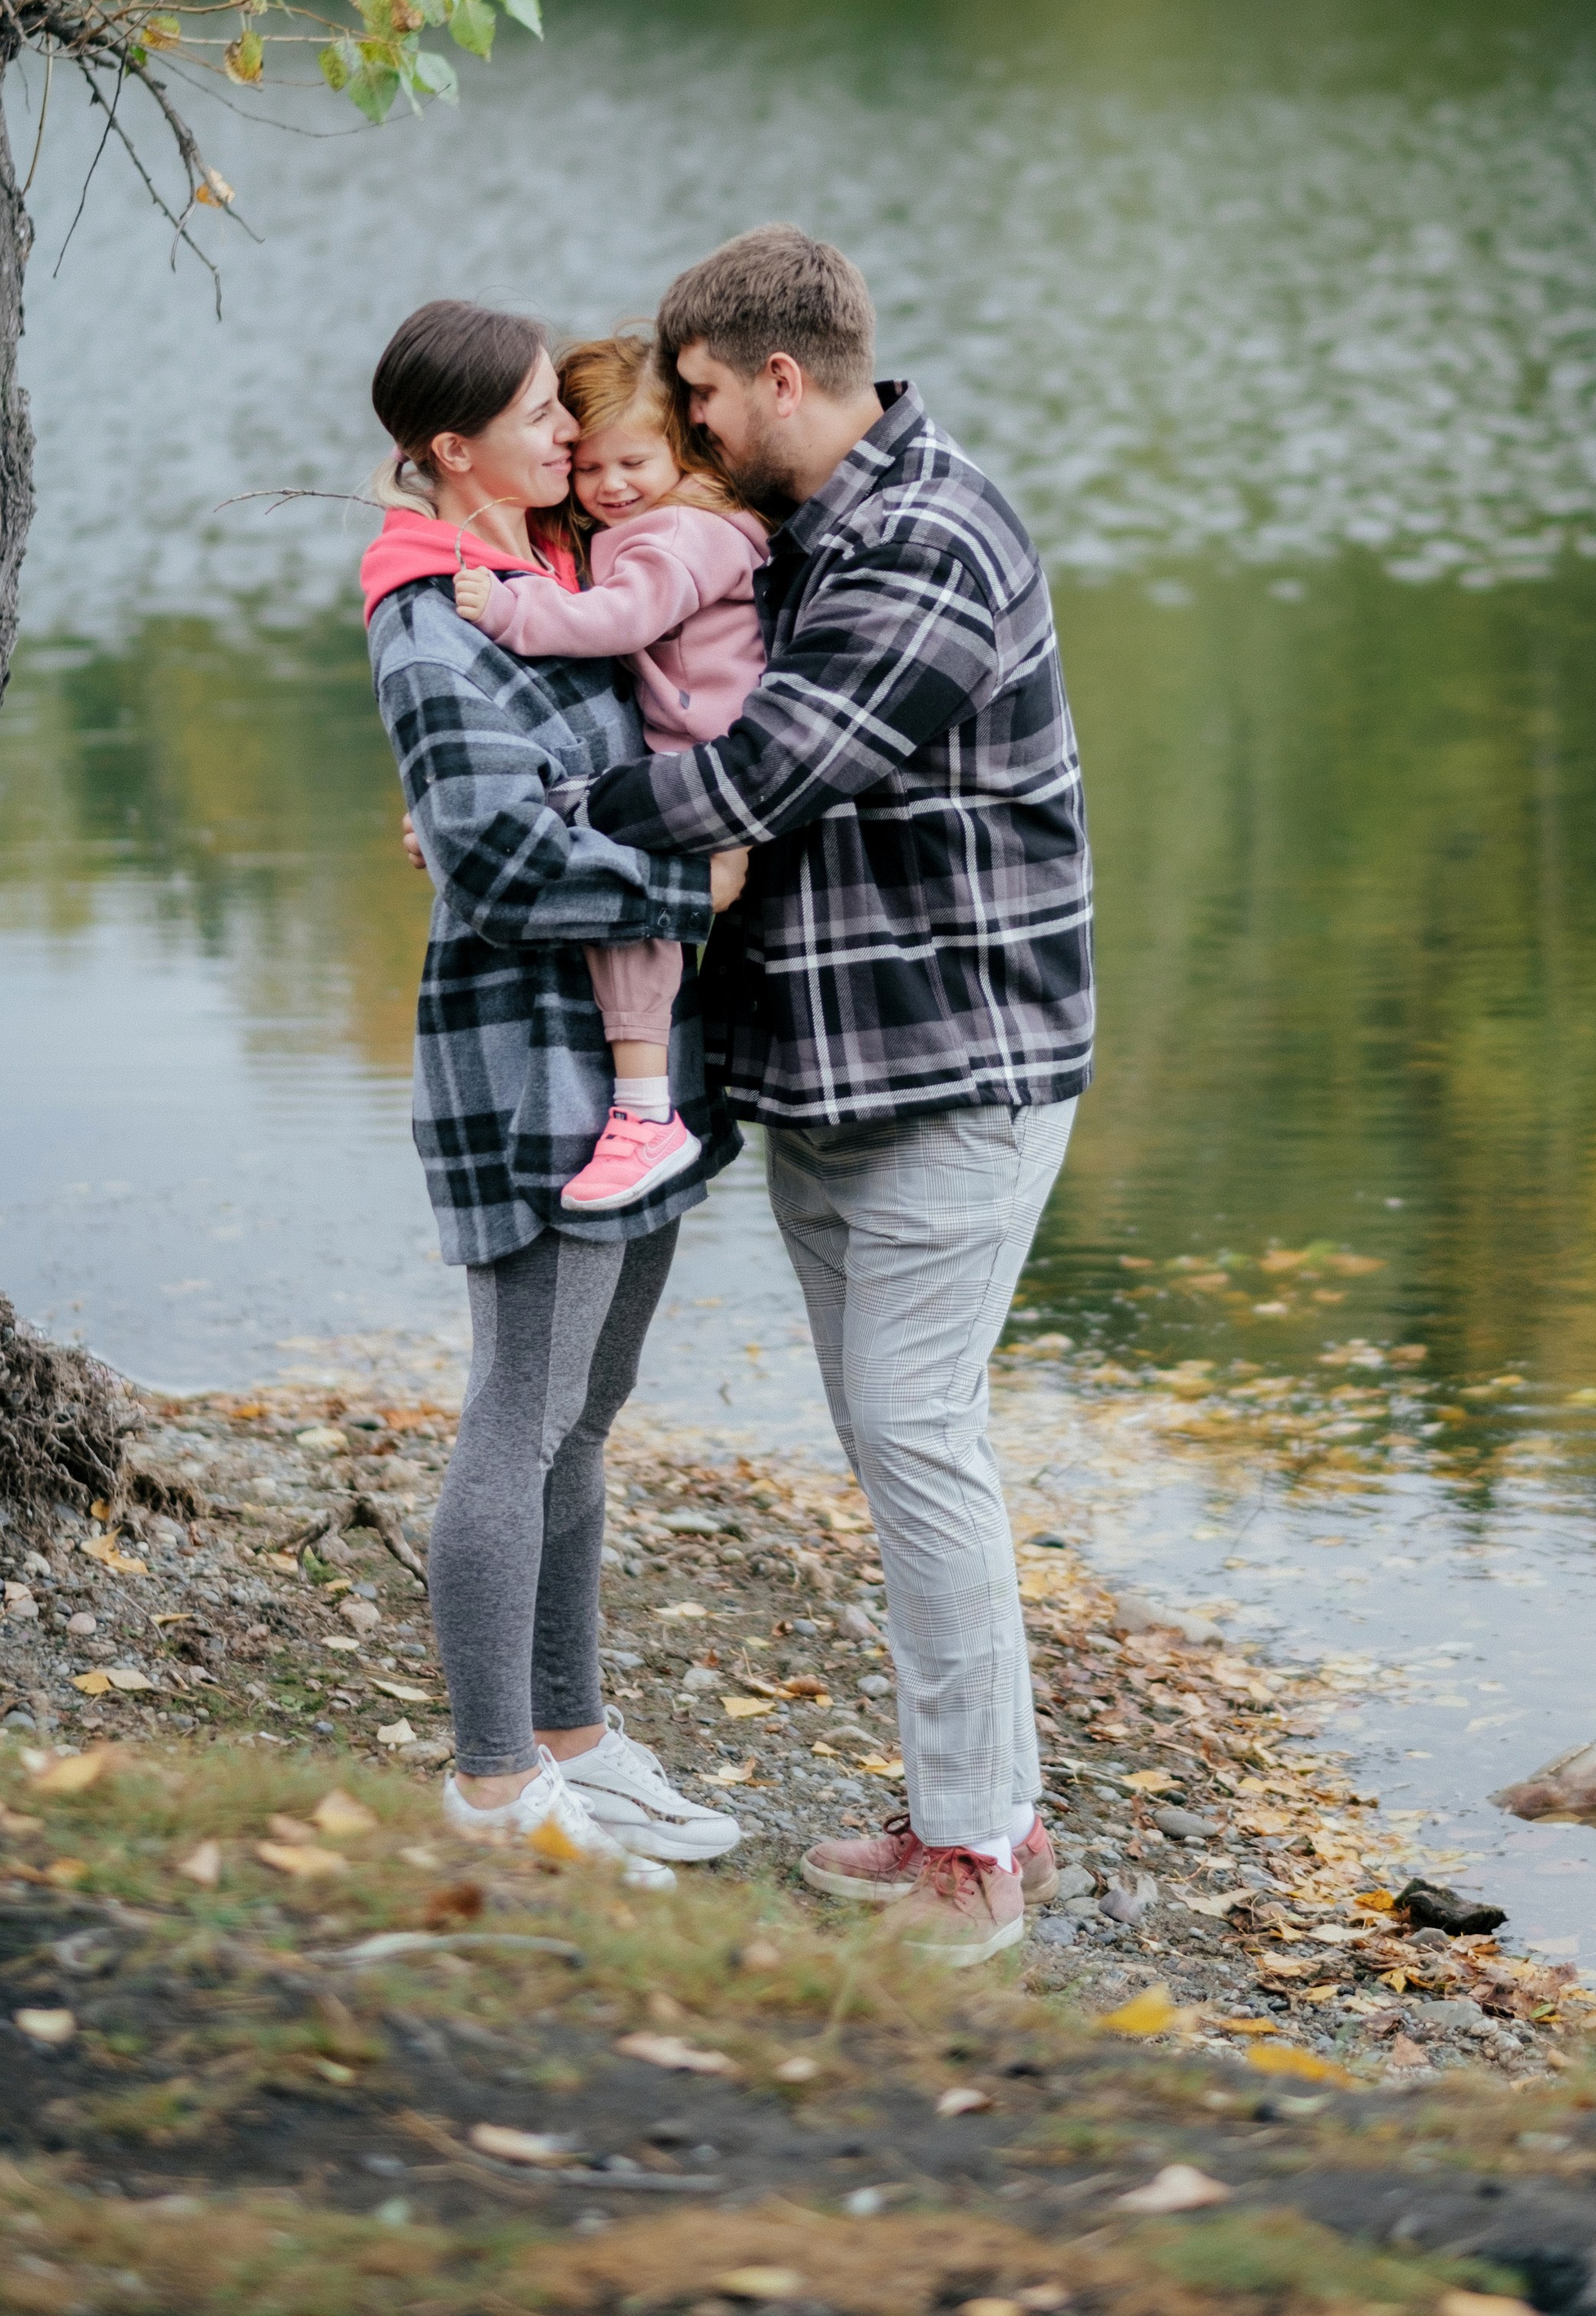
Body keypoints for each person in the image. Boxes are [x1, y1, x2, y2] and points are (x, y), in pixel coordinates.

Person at [577, 225, 1095, 1965]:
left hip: (960, 1068)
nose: (693, 427)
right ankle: (981, 1809)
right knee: (900, 1450)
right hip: (835, 1077)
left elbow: (770, 771)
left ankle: (974, 1858)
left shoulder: (928, 535)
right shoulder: (788, 535)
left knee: (916, 1439)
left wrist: (534, 821)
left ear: (781, 374)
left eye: (704, 397)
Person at [363, 297, 749, 1885]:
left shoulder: (551, 574)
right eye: (536, 418)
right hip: (527, 1064)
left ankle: (574, 1734)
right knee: (518, 1415)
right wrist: (699, 897)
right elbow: (500, 854)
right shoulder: (430, 610)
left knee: (585, 1411)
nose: (569, 440)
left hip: (633, 1065)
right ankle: (493, 1785)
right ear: (452, 450)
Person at [452, 327, 767, 1218]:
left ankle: (644, 1112)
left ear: (681, 448)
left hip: (708, 762)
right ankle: (654, 1106)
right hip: (693, 752)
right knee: (627, 899)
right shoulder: (663, 518)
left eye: (633, 460)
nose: (611, 486)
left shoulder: (680, 536)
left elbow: (625, 617)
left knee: (628, 912)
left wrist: (514, 608)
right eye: (589, 469)